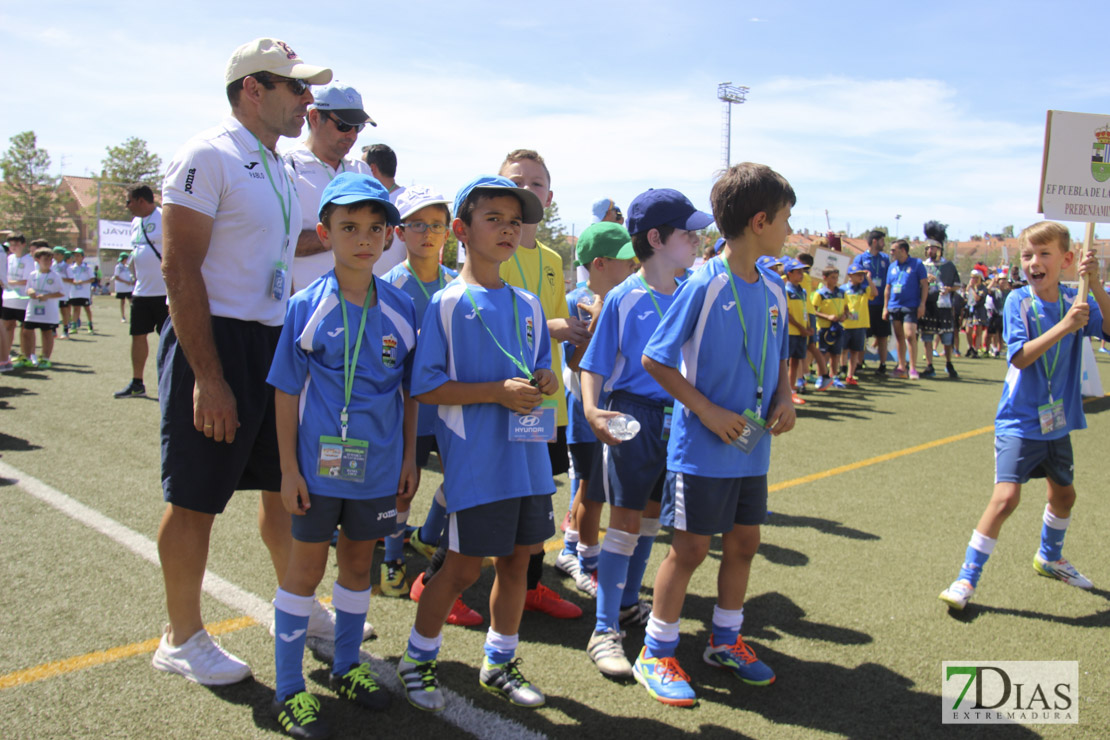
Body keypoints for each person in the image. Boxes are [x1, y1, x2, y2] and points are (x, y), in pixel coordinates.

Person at [152, 37, 338, 686]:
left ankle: (300, 605)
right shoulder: (209, 153)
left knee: (283, 489)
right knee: (196, 498)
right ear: (252, 90)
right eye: (295, 88)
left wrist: (366, 230)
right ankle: (181, 636)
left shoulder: (280, 165)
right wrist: (207, 375)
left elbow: (292, 244)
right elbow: (180, 265)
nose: (306, 101)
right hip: (217, 341)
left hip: (270, 341)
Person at [635, 162, 796, 707]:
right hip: (701, 450)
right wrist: (705, 411)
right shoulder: (704, 282)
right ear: (758, 222)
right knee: (691, 548)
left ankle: (725, 641)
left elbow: (781, 355)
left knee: (745, 542)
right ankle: (656, 651)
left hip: (752, 447)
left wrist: (783, 397)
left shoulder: (774, 287)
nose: (789, 229)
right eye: (785, 218)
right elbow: (656, 359)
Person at [397, 175, 556, 712]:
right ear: (462, 231)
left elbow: (536, 369)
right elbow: (424, 386)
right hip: (478, 463)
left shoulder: (529, 304)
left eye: (515, 221)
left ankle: (500, 660)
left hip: (528, 459)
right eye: (495, 219)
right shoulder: (445, 302)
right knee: (462, 568)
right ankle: (417, 659)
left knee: (518, 563)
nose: (508, 229)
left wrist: (544, 381)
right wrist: (495, 393)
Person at [267, 173, 416, 737]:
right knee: (304, 571)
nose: (363, 239)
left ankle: (349, 666)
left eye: (375, 229)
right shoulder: (306, 306)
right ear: (325, 232)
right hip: (316, 471)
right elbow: (285, 390)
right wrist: (287, 469)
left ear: (387, 237)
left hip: (377, 470)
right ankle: (288, 688)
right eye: (349, 227)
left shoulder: (401, 308)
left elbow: (410, 394)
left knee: (358, 567)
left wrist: (407, 460)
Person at [939, 221, 1110, 610]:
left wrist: (1096, 283)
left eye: (1044, 254)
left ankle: (1050, 557)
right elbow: (1019, 356)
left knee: (1064, 495)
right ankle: (966, 579)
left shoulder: (1076, 298)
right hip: (1018, 420)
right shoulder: (1019, 301)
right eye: (1028, 255)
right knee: (1006, 498)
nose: (1034, 262)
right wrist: (1067, 327)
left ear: (1067, 260)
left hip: (1057, 422)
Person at [579, 191, 710, 679]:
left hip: (678, 419)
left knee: (652, 518)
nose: (696, 240)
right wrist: (592, 410)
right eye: (687, 233)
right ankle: (605, 628)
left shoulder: (691, 291)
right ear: (655, 239)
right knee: (625, 522)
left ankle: (630, 603)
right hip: (632, 416)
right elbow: (594, 362)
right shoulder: (624, 296)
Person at [498, 148, 585, 620]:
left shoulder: (552, 258)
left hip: (546, 404)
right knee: (494, 493)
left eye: (535, 184)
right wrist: (551, 326)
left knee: (537, 494)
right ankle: (437, 571)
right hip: (504, 400)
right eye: (516, 181)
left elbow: (559, 326)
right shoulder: (494, 251)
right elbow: (490, 324)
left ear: (549, 199)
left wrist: (577, 334)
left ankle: (530, 585)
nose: (526, 190)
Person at [379, 186, 468, 611]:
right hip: (407, 410)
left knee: (460, 482)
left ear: (448, 233)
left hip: (452, 408)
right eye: (417, 225)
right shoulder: (388, 287)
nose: (427, 234)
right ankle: (392, 559)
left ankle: (428, 536)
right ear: (399, 233)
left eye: (435, 225)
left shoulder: (458, 284)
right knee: (402, 488)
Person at [556, 222, 638, 600]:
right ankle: (587, 561)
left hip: (612, 410)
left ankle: (572, 547)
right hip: (583, 413)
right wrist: (595, 324)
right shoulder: (576, 300)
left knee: (595, 487)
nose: (634, 265)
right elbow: (575, 364)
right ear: (600, 264)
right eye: (625, 260)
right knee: (591, 489)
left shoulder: (625, 298)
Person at [285, 82, 375, 292]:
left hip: (358, 305)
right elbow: (279, 241)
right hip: (306, 309)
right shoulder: (287, 166)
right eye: (344, 125)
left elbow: (384, 237)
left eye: (358, 127)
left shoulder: (361, 170)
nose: (352, 135)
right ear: (315, 117)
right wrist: (349, 235)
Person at [115, 186, 168, 398]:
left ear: (140, 200)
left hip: (165, 293)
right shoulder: (136, 222)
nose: (126, 206)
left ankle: (171, 385)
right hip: (141, 292)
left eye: (128, 201)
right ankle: (137, 383)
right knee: (137, 336)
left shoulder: (165, 216)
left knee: (170, 340)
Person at [919, 222, 961, 379]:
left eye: (934, 248)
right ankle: (929, 366)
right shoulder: (922, 266)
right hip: (929, 305)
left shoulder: (948, 266)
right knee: (927, 337)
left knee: (947, 338)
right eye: (928, 248)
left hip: (944, 305)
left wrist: (950, 289)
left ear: (940, 249)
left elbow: (957, 284)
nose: (930, 250)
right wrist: (925, 281)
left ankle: (949, 363)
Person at [883, 239, 928, 379]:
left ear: (903, 250)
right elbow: (888, 288)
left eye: (893, 250)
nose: (891, 252)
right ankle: (901, 367)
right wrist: (885, 307)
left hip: (910, 305)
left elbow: (925, 285)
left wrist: (922, 304)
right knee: (899, 337)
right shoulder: (892, 266)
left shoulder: (917, 264)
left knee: (910, 335)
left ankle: (913, 368)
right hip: (894, 305)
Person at [362, 144, 407, 277]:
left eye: (362, 167)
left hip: (397, 289)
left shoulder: (410, 203)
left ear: (372, 169)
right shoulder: (362, 202)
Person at [21, 245, 65, 369]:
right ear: (37, 260)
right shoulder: (32, 274)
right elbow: (28, 288)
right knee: (26, 332)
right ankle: (28, 357)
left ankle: (45, 358)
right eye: (45, 259)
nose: (48, 262)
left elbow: (61, 292)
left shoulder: (55, 276)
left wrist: (47, 296)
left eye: (50, 260)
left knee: (47, 333)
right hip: (33, 309)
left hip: (48, 311)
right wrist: (30, 291)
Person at [811, 267, 848, 389]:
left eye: (837, 277)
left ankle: (834, 377)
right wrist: (827, 316)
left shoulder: (841, 292)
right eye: (833, 277)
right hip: (824, 327)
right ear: (825, 278)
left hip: (837, 328)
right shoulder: (820, 293)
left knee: (836, 353)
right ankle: (822, 376)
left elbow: (846, 308)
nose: (835, 280)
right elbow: (813, 311)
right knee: (823, 353)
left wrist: (844, 315)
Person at [841, 259, 875, 386]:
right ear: (850, 276)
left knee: (855, 351)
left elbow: (875, 293)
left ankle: (851, 375)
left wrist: (869, 278)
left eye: (862, 274)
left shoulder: (865, 289)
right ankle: (842, 369)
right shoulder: (843, 288)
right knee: (843, 350)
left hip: (860, 325)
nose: (861, 277)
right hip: (846, 324)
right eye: (858, 274)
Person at [2, 234, 33, 370]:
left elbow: (27, 280)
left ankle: (27, 355)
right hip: (8, 299)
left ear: (23, 245)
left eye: (16, 244)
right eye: (11, 245)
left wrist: (8, 282)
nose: (13, 247)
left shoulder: (29, 260)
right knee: (8, 326)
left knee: (26, 329)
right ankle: (5, 355)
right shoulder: (8, 258)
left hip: (24, 300)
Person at [862, 230, 891, 374]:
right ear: (875, 241)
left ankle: (883, 364)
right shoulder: (861, 258)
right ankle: (859, 363)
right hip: (865, 304)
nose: (884, 244)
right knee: (863, 335)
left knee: (882, 336)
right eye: (882, 241)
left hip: (881, 303)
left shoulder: (885, 259)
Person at [783, 257, 811, 403]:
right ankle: (783, 392)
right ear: (789, 273)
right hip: (791, 332)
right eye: (798, 272)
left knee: (796, 362)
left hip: (801, 332)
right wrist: (801, 328)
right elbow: (787, 314)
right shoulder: (785, 290)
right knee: (785, 363)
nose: (802, 274)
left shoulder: (803, 291)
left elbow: (804, 310)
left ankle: (792, 390)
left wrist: (807, 327)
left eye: (802, 271)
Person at [50, 247, 72, 339]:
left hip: (63, 293)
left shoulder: (66, 267)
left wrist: (59, 279)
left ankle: (65, 330)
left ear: (62, 256)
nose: (55, 256)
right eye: (54, 253)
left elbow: (71, 279)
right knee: (53, 311)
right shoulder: (52, 265)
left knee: (64, 311)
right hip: (53, 293)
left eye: (57, 254)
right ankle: (53, 330)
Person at [112, 252, 134, 321]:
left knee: (131, 302)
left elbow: (129, 275)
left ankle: (132, 316)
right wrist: (125, 282)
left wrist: (131, 280)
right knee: (123, 302)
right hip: (121, 288)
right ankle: (123, 316)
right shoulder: (118, 267)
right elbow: (116, 277)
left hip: (128, 288)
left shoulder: (126, 267)